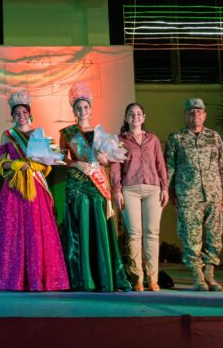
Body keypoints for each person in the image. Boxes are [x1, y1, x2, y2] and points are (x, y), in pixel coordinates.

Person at [0, 91, 69, 291]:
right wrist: (16, 164)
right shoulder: (7, 135)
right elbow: (2, 164)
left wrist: (36, 166)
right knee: (13, 230)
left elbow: (50, 163)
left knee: (37, 230)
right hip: (14, 186)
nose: (21, 115)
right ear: (12, 115)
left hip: (36, 186)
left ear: (30, 114)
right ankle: (11, 278)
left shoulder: (40, 135)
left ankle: (39, 279)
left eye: (24, 112)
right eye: (17, 113)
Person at [57, 82, 131, 292]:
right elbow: (61, 158)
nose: (82, 111)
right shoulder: (67, 133)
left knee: (98, 226)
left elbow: (107, 161)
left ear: (91, 110)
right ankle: (82, 279)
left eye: (85, 107)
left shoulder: (101, 133)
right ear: (74, 111)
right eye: (78, 108)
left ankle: (103, 277)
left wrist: (103, 159)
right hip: (76, 184)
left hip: (96, 184)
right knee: (79, 228)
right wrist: (77, 164)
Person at [166, 98, 223, 291]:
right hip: (188, 195)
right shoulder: (176, 138)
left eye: (199, 111)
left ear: (205, 115)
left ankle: (210, 275)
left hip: (213, 194)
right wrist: (170, 192)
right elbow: (169, 168)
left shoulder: (214, 137)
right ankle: (198, 276)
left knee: (214, 236)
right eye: (191, 112)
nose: (195, 115)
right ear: (185, 115)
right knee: (191, 237)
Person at [112, 102, 169, 292]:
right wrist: (117, 190)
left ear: (143, 117)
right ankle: (137, 278)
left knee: (152, 233)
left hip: (153, 189)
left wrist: (165, 188)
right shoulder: (119, 140)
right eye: (131, 113)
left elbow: (160, 164)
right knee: (134, 234)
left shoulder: (153, 139)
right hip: (130, 189)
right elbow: (116, 167)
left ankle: (153, 279)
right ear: (126, 118)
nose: (135, 116)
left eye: (138, 113)